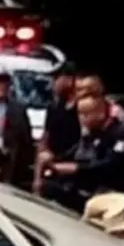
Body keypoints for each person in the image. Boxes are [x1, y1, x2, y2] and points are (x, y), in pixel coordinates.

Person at [37, 94, 124, 213]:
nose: (82, 118)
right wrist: (54, 160)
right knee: (48, 187)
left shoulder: (120, 132)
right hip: (84, 188)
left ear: (100, 114)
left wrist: (77, 169)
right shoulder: (90, 133)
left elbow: (110, 165)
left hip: (110, 192)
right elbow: (74, 152)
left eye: (86, 114)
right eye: (80, 114)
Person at [36, 62, 80, 194]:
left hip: (74, 170)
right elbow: (43, 141)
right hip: (52, 168)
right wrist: (37, 178)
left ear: (69, 79)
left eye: (56, 78)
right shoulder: (54, 107)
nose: (52, 84)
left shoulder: (82, 108)